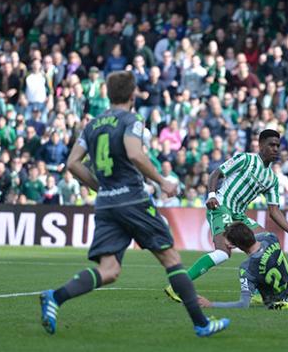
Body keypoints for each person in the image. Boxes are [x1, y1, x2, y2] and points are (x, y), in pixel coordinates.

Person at [39, 71, 229, 338]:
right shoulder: (132, 120)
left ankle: (55, 297)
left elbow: (72, 163)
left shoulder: (92, 125)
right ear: (132, 95)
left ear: (108, 93)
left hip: (106, 204)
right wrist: (162, 181)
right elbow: (134, 153)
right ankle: (201, 323)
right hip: (133, 199)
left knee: (110, 270)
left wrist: (101, 188)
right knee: (171, 259)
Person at [164, 129, 288, 302]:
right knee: (223, 252)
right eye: (271, 145)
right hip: (221, 206)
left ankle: (258, 292)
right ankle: (177, 286)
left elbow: (274, 211)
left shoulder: (271, 178)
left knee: (265, 243)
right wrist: (211, 195)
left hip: (238, 215)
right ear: (261, 144)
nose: (275, 149)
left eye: (278, 146)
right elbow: (215, 174)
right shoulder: (246, 159)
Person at [197, 222, 288, 309]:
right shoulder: (271, 238)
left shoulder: (247, 269)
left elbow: (243, 304)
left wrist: (211, 305)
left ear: (232, 245)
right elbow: (252, 238)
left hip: (284, 301)